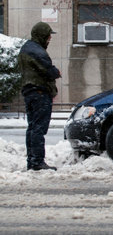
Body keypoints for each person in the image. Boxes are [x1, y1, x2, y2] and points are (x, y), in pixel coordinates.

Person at [18, 22, 61, 171]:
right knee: (38, 129)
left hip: (30, 92)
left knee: (32, 127)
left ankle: (32, 160)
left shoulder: (26, 49)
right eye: (48, 36)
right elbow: (49, 71)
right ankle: (37, 162)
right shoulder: (37, 52)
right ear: (42, 35)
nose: (49, 39)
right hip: (40, 93)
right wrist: (57, 72)